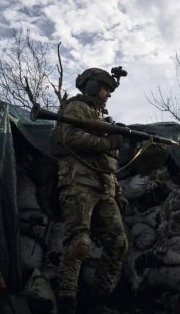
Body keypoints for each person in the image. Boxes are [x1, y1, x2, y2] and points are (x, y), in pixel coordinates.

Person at [51, 68, 129, 314]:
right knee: (79, 243)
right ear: (92, 85)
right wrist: (108, 142)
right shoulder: (76, 109)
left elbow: (108, 163)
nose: (107, 94)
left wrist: (117, 192)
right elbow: (70, 138)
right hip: (79, 183)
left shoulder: (103, 118)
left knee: (118, 244)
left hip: (104, 187)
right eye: (105, 88)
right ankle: (67, 304)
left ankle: (96, 303)